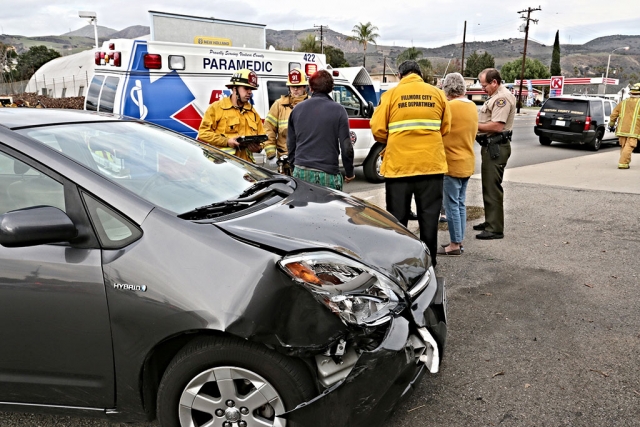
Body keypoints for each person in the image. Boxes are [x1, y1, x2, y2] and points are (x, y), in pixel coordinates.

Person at [370, 60, 451, 266]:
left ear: (400, 75)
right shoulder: (438, 94)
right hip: (431, 166)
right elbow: (445, 128)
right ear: (420, 74)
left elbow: (378, 130)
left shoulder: (390, 95)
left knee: (398, 220)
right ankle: (429, 264)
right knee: (429, 218)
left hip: (399, 168)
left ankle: (401, 263)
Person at [287, 69, 355, 190]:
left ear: (310, 88)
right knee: (330, 209)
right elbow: (346, 147)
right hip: (328, 174)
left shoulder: (297, 110)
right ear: (331, 88)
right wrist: (349, 171)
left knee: (302, 209)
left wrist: (295, 166)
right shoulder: (339, 110)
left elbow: (291, 144)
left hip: (301, 172)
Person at [472, 68, 516, 240]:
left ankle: (495, 228)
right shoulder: (495, 96)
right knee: (488, 186)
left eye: (485, 86)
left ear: (494, 82)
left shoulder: (501, 98)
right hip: (491, 146)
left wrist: (472, 124)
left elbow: (497, 126)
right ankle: (491, 220)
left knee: (492, 188)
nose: (483, 89)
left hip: (496, 146)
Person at [437, 72, 477, 256]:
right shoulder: (472, 106)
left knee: (451, 204)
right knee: (460, 203)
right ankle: (459, 241)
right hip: (467, 160)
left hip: (451, 162)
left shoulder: (449, 106)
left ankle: (454, 244)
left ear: (447, 88)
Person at [197, 69, 265, 163]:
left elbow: (262, 139)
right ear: (234, 88)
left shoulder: (253, 113)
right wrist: (227, 141)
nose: (250, 92)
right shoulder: (216, 108)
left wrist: (258, 148)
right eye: (246, 88)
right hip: (222, 165)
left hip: (246, 167)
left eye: (251, 89)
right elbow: (203, 133)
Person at [263, 68, 309, 167]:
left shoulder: (312, 104)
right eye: (292, 86)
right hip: (285, 160)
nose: (295, 89)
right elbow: (268, 129)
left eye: (298, 86)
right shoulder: (279, 105)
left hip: (307, 159)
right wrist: (271, 155)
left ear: (305, 87)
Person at [608, 82, 640, 169]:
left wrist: (611, 124)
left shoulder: (623, 102)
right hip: (634, 130)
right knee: (630, 146)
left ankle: (626, 162)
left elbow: (614, 114)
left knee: (624, 146)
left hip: (622, 129)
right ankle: (623, 163)